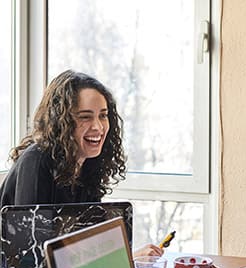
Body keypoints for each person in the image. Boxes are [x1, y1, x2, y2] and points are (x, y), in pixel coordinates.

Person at [0, 70, 162, 257]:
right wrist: (129, 260)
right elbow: (30, 256)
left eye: (103, 115)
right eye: (85, 117)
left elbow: (86, 244)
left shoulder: (88, 162)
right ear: (61, 122)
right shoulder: (36, 161)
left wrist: (126, 259)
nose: (98, 127)